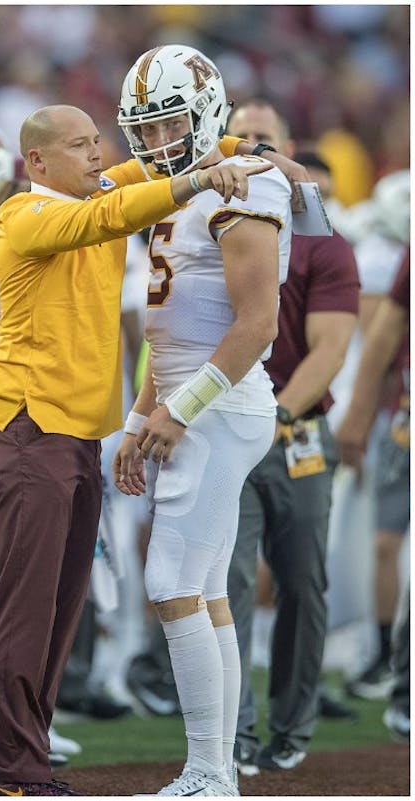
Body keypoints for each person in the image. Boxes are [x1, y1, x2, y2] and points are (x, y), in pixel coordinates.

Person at [0, 92, 270, 792]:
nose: (96, 151)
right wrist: (199, 179)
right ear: (36, 159)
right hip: (26, 427)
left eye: (96, 140)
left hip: (73, 436)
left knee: (62, 607)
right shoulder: (26, 211)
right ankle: (14, 772)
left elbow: (156, 165)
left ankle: (29, 757)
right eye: (78, 144)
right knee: (28, 603)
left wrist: (246, 154)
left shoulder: (97, 190)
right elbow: (113, 211)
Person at [110, 45, 292, 796]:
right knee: (205, 586)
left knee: (171, 579)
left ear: (208, 110)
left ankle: (209, 769)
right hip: (196, 400)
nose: (158, 144)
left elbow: (258, 324)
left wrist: (177, 413)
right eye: (144, 130)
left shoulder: (242, 186)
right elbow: (170, 333)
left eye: (170, 125)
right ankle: (216, 769)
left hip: (220, 404)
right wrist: (140, 415)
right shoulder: (180, 189)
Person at [219, 99, 359, 776]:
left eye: (263, 138)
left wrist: (272, 417)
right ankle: (237, 728)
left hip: (294, 428)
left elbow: (330, 350)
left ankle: (293, 723)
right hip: (227, 427)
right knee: (231, 579)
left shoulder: (324, 240)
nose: (250, 146)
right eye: (239, 136)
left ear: (289, 147)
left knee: (303, 581)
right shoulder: (209, 223)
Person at [336, 250, 411, 740]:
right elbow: (389, 322)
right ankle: (402, 683)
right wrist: (361, 411)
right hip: (407, 420)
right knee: (391, 546)